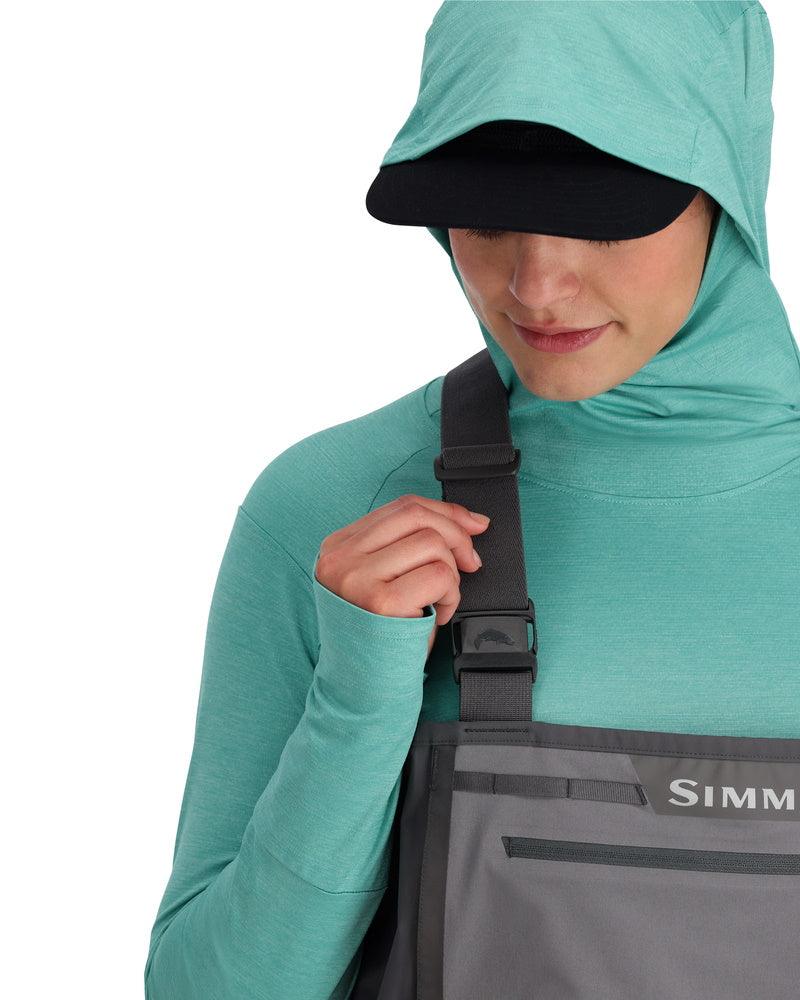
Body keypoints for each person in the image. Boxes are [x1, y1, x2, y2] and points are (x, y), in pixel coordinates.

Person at [144, 2, 800, 998]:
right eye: (486, 216)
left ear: (728, 183)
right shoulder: (335, 508)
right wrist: (359, 701)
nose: (534, 284)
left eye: (598, 217)